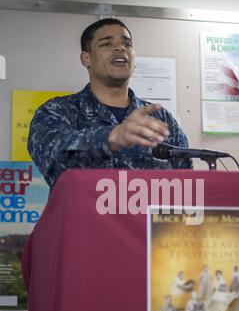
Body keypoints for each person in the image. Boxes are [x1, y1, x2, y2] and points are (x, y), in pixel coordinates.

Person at [28, 18, 192, 189]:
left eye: (127, 44)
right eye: (106, 44)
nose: (120, 48)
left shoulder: (160, 117)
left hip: (147, 216)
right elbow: (52, 158)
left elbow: (185, 184)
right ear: (86, 59)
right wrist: (112, 137)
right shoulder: (58, 111)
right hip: (84, 216)